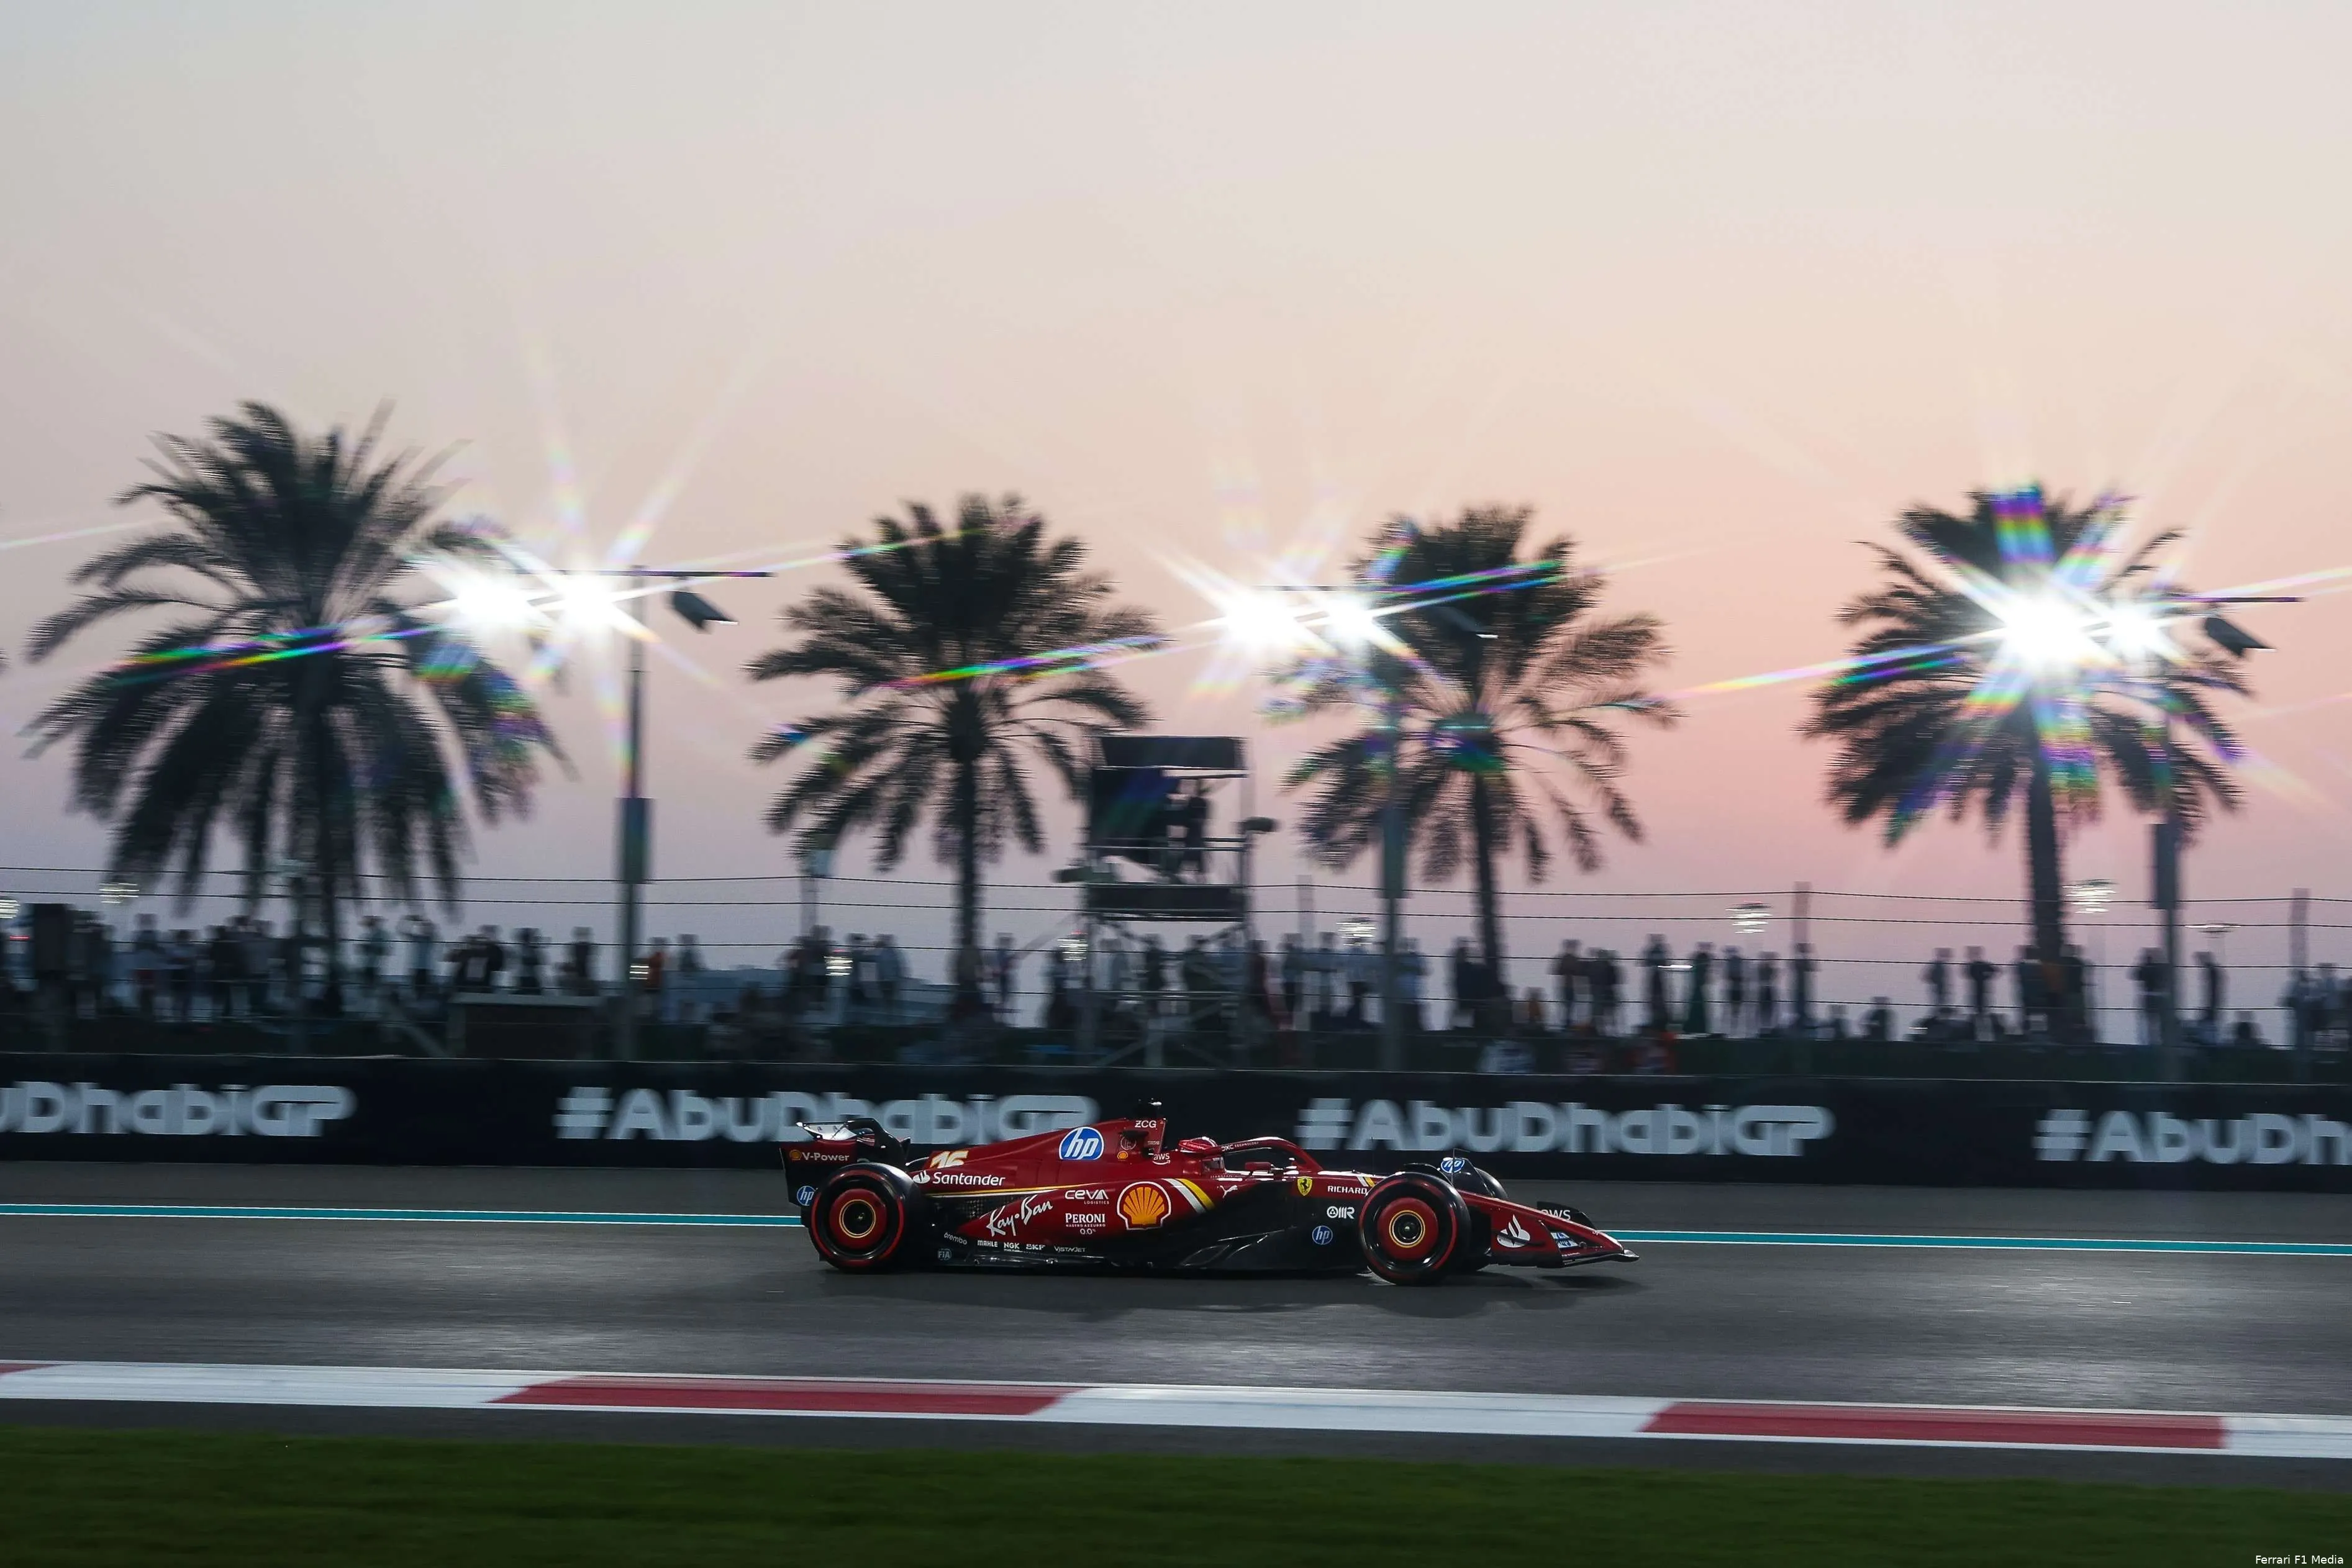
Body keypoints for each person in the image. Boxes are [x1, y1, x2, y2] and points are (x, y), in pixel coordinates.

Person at [2132, 947, 2168, 1048]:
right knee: (2158, 1023)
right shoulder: (2162, 967)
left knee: (2150, 1024)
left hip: (2150, 997)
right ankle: (2158, 1043)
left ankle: (2151, 1044)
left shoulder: (2147, 967)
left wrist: (2143, 963)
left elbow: (2135, 975)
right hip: (2160, 997)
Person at [401, 914, 438, 1002]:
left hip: (426, 968)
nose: (424, 929)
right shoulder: (417, 938)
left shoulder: (430, 938)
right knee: (416, 990)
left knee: (424, 990)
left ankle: (424, 1005)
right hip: (416, 968)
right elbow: (402, 931)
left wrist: (422, 920)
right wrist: (409, 921)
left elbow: (432, 929)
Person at [1682, 943, 1714, 1038]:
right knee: (1698, 1006)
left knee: (1696, 1005)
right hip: (1698, 987)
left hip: (1697, 987)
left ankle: (1694, 1027)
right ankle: (1698, 1027)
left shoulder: (1698, 960)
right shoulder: (1702, 961)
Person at [1551, 940, 1582, 1033]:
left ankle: (1568, 1023)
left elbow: (1579, 971)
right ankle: (1566, 1023)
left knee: (1570, 1006)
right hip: (1565, 986)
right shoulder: (1566, 958)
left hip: (1573, 986)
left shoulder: (1573, 959)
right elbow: (1557, 971)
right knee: (1567, 1005)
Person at [1964, 946, 1996, 1039]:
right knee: (1979, 1007)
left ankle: (1981, 1030)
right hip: (1977, 989)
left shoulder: (1978, 965)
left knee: (1981, 1007)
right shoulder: (1974, 965)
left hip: (1981, 989)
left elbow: (1995, 970)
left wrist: (1985, 977)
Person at [1641, 935, 1671, 1035]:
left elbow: (1665, 963)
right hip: (1655, 978)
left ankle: (1659, 1022)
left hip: (1658, 978)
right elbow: (1646, 962)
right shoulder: (1655, 951)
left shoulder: (1658, 951)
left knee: (1658, 1000)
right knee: (1655, 1000)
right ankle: (1655, 1021)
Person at [2196, 950, 2223, 1048]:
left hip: (2212, 1002)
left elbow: (2213, 990)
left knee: (2207, 1023)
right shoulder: (2212, 971)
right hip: (2212, 1002)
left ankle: (2210, 1043)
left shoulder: (2212, 971)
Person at [875, 934, 904, 1022]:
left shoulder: (883, 953)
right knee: (891, 1000)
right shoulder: (894, 953)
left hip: (887, 981)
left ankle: (889, 1017)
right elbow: (899, 966)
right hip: (890, 980)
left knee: (888, 1000)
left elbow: (880, 967)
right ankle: (892, 1016)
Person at [1752, 951, 1779, 1036]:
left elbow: (1773, 976)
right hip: (1764, 989)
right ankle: (1762, 1028)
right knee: (1762, 1010)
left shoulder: (1770, 969)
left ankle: (1768, 1028)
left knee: (1769, 1010)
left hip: (1768, 989)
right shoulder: (1762, 969)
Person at [1721, 946, 1745, 1038]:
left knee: (1734, 1010)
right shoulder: (1735, 962)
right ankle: (1734, 1028)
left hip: (1735, 989)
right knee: (1735, 1010)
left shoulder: (1732, 962)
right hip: (1734, 989)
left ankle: (1734, 1028)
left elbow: (1728, 975)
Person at [1925, 948, 1951, 1020]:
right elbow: (1927, 976)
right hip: (1938, 987)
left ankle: (1939, 1017)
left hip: (1940, 987)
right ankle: (1938, 1017)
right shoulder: (1938, 965)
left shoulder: (1941, 965)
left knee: (1941, 1002)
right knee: (1939, 1002)